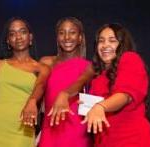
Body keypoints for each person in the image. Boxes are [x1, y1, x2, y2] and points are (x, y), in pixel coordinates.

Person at [0, 17, 49, 147]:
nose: (18, 37)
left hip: (22, 131)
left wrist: (32, 102)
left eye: (22, 32)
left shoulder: (42, 68)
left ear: (30, 38)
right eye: (12, 34)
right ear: (8, 41)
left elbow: (41, 86)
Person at [82, 23, 150, 147]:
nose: (105, 45)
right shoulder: (97, 77)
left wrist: (100, 106)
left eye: (112, 40)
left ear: (122, 44)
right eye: (101, 41)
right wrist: (88, 105)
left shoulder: (130, 59)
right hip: (105, 141)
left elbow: (125, 95)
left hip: (131, 139)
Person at [37, 17, 94, 147]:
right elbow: (38, 88)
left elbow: (80, 82)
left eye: (72, 32)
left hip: (77, 132)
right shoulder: (46, 62)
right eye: (62, 32)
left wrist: (64, 94)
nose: (67, 37)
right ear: (57, 37)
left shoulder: (89, 66)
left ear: (80, 38)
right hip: (50, 129)